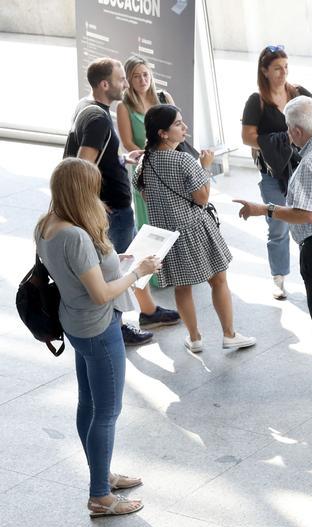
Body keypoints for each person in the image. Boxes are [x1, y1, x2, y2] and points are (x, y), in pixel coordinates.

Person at [35, 159, 160, 517]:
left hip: (74, 323)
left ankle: (100, 474)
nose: (98, 191)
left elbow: (75, 272)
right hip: (98, 326)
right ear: (80, 190)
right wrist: (138, 270)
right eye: (92, 186)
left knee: (88, 403)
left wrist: (114, 260)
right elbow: (102, 294)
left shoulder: (48, 225)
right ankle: (100, 496)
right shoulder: (74, 235)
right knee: (107, 412)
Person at [235, 96, 312, 398]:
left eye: (289, 129)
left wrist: (264, 209)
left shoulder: (309, 163)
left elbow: (307, 213)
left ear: (297, 132)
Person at [68, 57, 180, 345]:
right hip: (110, 210)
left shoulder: (87, 107)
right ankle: (116, 327)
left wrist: (121, 159)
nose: (125, 84)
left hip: (113, 207)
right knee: (113, 267)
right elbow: (82, 167)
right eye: (121, 79)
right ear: (105, 84)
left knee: (125, 261)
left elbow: (96, 158)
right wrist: (93, 204)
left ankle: (148, 310)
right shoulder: (97, 118)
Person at [136, 105, 256, 353]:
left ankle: (195, 338)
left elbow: (147, 197)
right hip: (195, 228)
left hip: (168, 236)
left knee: (182, 287)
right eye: (178, 124)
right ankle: (229, 334)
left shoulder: (143, 164)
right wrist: (206, 165)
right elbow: (202, 197)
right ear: (163, 133)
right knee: (219, 280)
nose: (185, 127)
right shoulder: (183, 160)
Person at [241, 45, 312, 301]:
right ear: (264, 71)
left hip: (303, 168)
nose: (283, 73)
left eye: (286, 67)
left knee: (311, 218)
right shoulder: (256, 100)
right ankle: (278, 277)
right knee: (277, 224)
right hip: (273, 174)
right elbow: (247, 137)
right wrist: (282, 141)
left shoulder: (299, 93)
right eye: (278, 68)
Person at [115, 55, 174, 233]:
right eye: (136, 76)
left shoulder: (164, 98)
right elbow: (127, 142)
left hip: (169, 164)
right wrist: (150, 157)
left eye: (145, 75)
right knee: (148, 221)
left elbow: (178, 130)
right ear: (129, 80)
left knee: (171, 218)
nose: (143, 80)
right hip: (144, 168)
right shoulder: (124, 106)